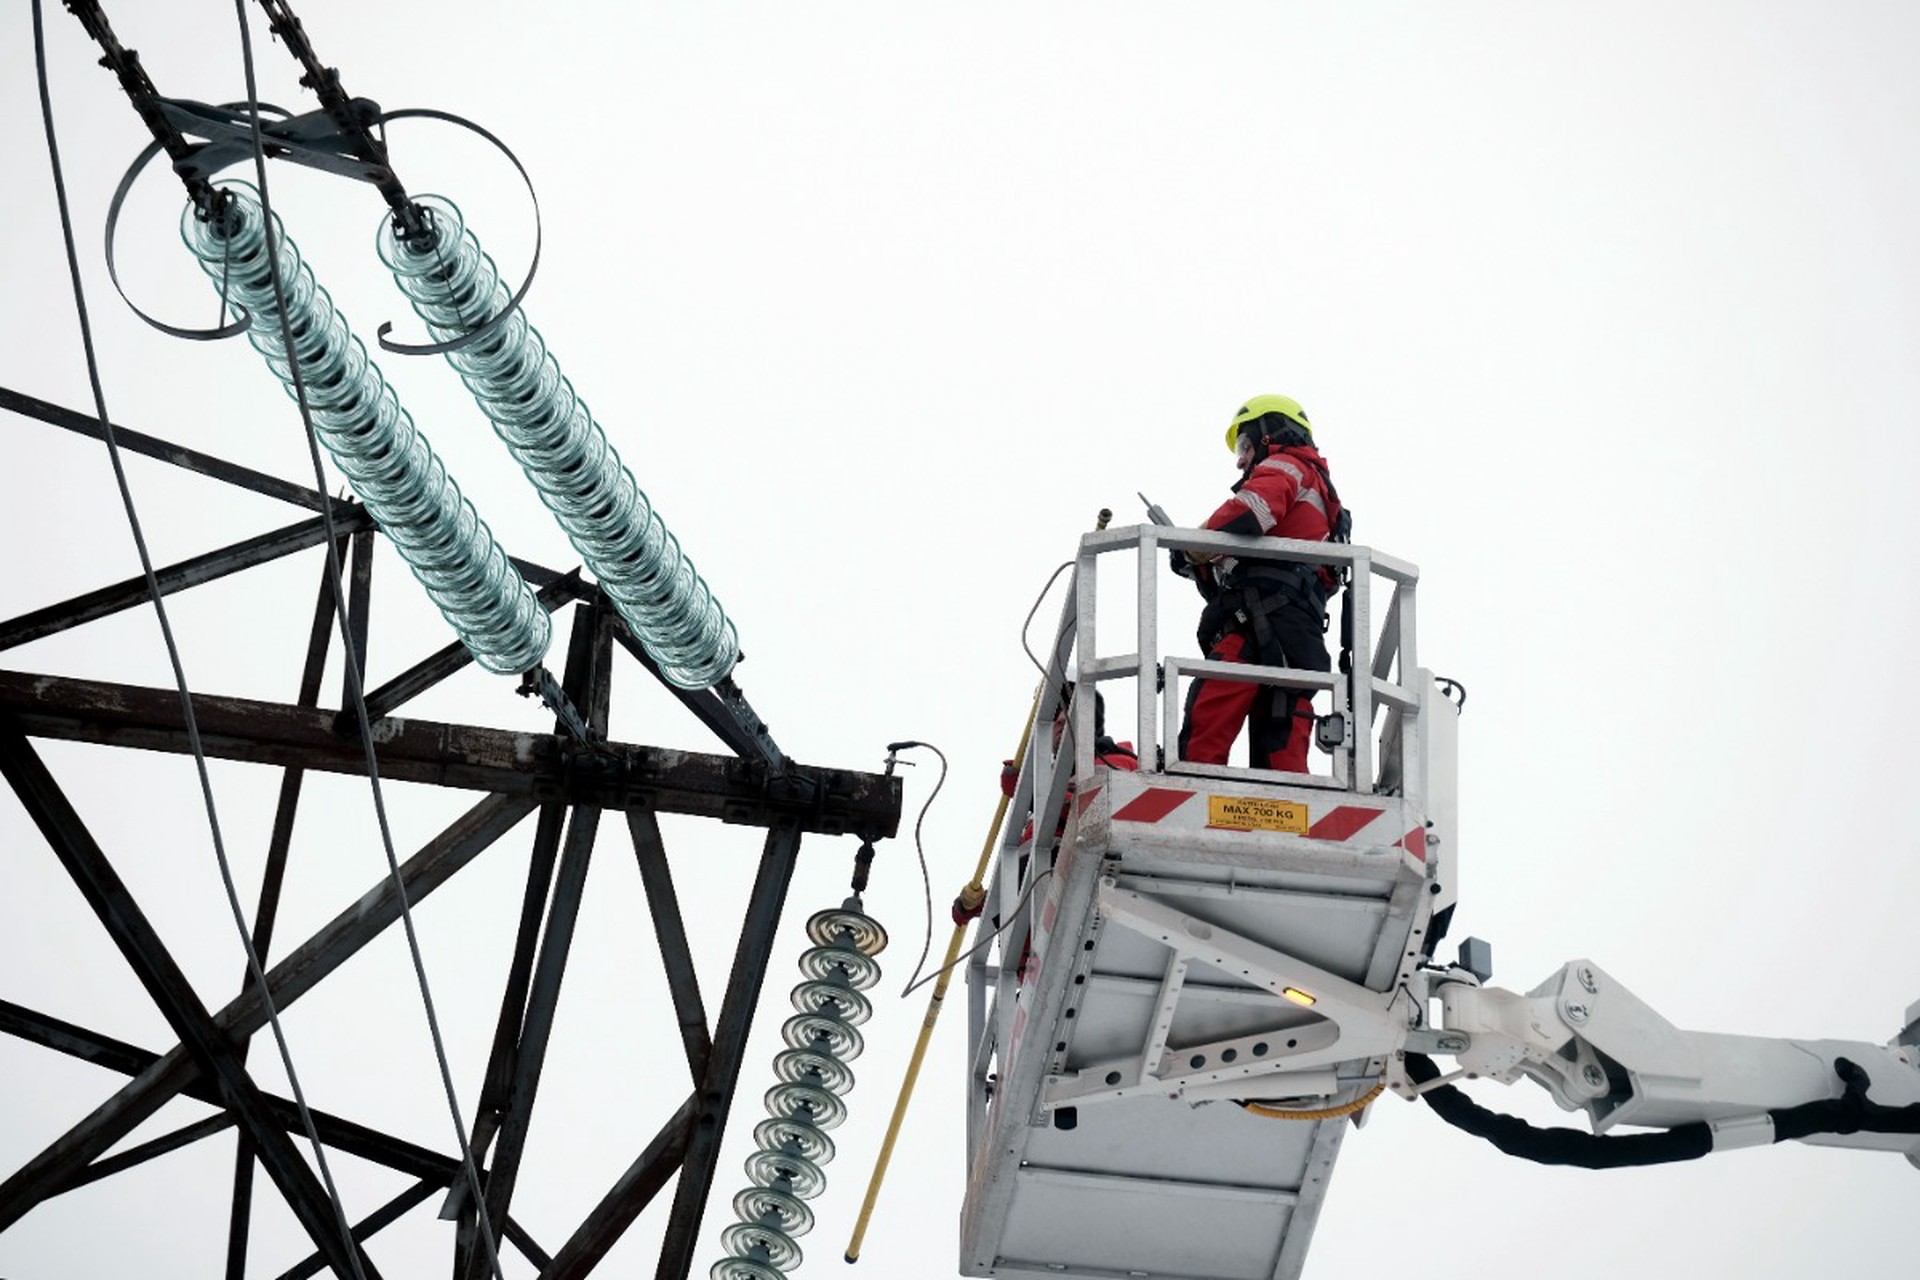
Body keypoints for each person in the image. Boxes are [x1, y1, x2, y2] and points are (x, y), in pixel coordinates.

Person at [1175, 394, 1346, 775]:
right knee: (1283, 735)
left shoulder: (1286, 466)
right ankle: (1288, 817)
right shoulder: (1317, 492)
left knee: (1210, 715)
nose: (1240, 458)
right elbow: (1262, 557)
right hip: (1294, 634)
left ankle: (1194, 792)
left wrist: (1192, 545)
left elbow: (1251, 512)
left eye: (1245, 445)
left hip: (1256, 624)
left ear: (1270, 434)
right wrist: (1204, 565)